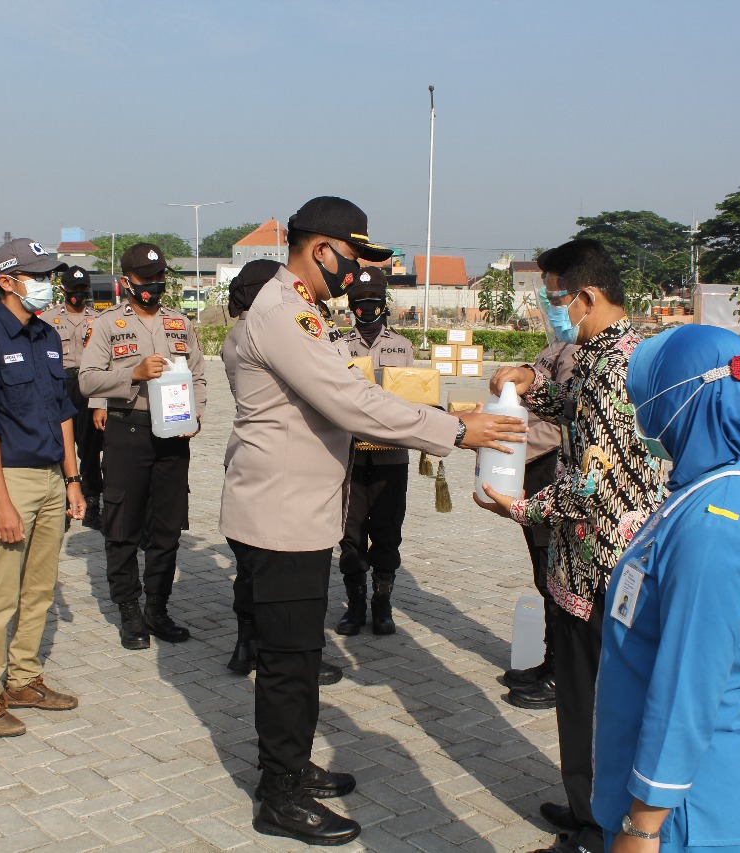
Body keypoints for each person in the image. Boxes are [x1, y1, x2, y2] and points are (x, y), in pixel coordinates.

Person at [220, 196, 525, 845]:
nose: (356, 273)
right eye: (351, 259)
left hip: (296, 512)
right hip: (279, 516)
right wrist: (453, 430)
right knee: (287, 660)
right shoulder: (282, 312)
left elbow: (354, 394)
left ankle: (293, 766)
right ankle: (278, 792)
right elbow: (350, 401)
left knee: (300, 653)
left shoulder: (301, 308)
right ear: (319, 247)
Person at [476, 239, 667, 853]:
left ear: (584, 297)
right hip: (587, 556)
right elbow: (576, 413)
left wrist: (522, 508)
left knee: (590, 701)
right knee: (588, 699)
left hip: (600, 562)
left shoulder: (614, 365)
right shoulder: (606, 353)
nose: (548, 312)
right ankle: (588, 805)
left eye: (554, 299)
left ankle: (595, 828)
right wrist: (529, 385)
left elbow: (592, 483)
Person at [593, 323, 740, 852]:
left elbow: (687, 690)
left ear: (684, 399)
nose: (642, 414)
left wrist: (642, 827)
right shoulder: (713, 485)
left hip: (685, 818)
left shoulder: (713, 528)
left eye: (649, 397)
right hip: (675, 798)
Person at [0, 237, 85, 738]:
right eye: (37, 276)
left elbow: (63, 413)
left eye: (48, 274)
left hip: (52, 478)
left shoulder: (47, 335)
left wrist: (72, 480)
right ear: (7, 282)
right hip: (7, 479)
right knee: (0, 595)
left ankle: (24, 679)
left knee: (39, 591)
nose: (46, 284)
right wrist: (2, 501)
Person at [78, 243, 207, 650]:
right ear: (126, 281)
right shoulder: (107, 324)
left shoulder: (180, 323)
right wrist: (131, 373)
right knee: (122, 526)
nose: (152, 286)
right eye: (144, 279)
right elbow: (86, 380)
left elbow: (200, 375)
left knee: (167, 527)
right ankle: (129, 610)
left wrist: (196, 415)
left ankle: (157, 607)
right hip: (127, 431)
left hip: (173, 435)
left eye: (157, 278)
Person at [222, 260, 344, 686]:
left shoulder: (238, 333)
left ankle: (247, 645)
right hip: (279, 464)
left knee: (250, 571)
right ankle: (285, 650)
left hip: (248, 456)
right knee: (275, 579)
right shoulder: (262, 332)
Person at [497, 269, 579, 711]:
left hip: (551, 469)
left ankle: (561, 670)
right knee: (544, 571)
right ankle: (552, 659)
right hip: (532, 467)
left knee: (556, 573)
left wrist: (505, 434)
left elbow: (557, 421)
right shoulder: (556, 347)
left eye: (556, 296)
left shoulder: (588, 352)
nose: (551, 306)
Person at [335, 266, 416, 637]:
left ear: (385, 304)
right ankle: (354, 606)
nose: (367, 311)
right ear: (351, 306)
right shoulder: (336, 345)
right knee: (350, 534)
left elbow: (414, 395)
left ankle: (382, 605)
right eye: (360, 305)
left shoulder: (402, 346)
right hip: (349, 455)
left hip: (390, 455)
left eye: (374, 304)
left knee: (387, 532)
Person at [43, 265, 104, 527]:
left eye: (82, 289)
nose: (78, 294)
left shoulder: (100, 319)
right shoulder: (47, 319)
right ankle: (62, 502)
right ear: (63, 290)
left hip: (89, 385)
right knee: (59, 445)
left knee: (90, 448)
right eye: (73, 289)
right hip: (61, 384)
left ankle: (91, 503)